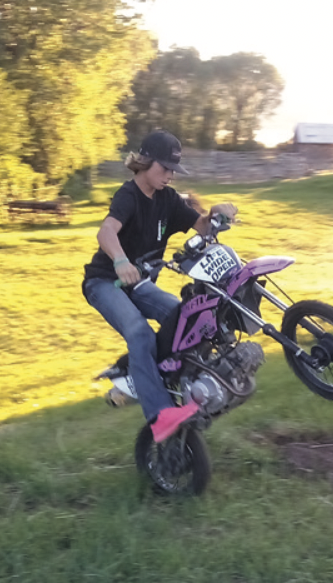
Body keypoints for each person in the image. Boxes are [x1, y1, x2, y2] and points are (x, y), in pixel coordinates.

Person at [82, 130, 237, 443]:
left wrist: (217, 213)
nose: (169, 175)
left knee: (186, 317)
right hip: (105, 282)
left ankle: (168, 378)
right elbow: (106, 231)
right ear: (145, 162)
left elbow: (202, 226)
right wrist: (121, 261)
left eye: (173, 170)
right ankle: (160, 413)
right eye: (165, 168)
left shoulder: (168, 199)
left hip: (139, 285)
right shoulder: (128, 195)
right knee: (139, 332)